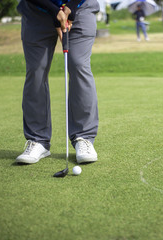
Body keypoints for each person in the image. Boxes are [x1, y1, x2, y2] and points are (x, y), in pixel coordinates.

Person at [15, 0, 100, 164]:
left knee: (78, 65)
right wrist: (53, 10)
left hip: (81, 8)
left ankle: (84, 138)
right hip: (36, 10)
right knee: (36, 69)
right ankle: (38, 140)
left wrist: (71, 7)